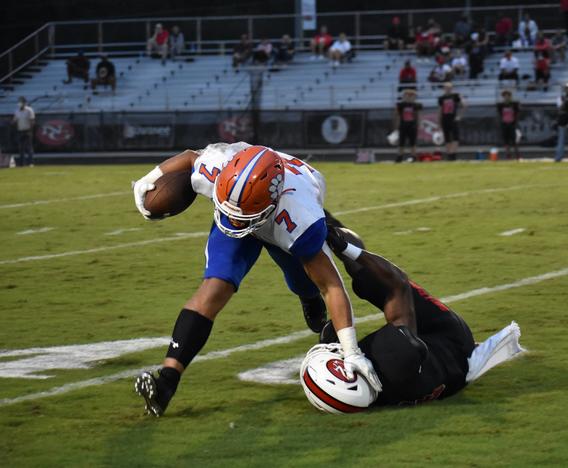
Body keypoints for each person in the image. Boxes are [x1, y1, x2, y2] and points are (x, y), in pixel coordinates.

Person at [132, 143, 382, 416]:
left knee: (308, 283)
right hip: (244, 206)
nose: (234, 223)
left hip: (279, 221)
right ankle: (167, 381)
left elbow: (332, 286)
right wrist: (149, 178)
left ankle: (310, 291)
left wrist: (352, 351)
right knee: (215, 287)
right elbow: (190, 158)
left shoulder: (299, 217)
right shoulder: (217, 165)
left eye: (239, 219)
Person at [312, 223, 524, 408]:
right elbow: (398, 284)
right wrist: (345, 248)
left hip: (447, 372)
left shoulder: (376, 391)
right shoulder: (394, 360)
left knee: (339, 331)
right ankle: (330, 227)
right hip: (450, 339)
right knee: (374, 281)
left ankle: (328, 228)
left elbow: (330, 331)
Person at [437, 83, 463, 161]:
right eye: (446, 87)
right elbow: (439, 111)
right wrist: (438, 122)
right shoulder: (441, 98)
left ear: (452, 88)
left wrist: (459, 116)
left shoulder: (455, 96)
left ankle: (453, 154)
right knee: (447, 138)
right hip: (445, 119)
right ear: (444, 88)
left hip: (453, 119)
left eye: (449, 87)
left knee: (456, 138)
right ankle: (449, 155)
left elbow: (464, 105)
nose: (447, 89)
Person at [395, 89, 422, 162]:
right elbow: (397, 115)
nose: (407, 97)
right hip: (403, 125)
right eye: (405, 95)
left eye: (409, 96)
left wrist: (419, 124)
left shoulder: (416, 105)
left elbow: (418, 115)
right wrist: (397, 126)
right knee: (401, 142)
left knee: (413, 142)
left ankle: (413, 156)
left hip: (412, 125)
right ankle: (399, 157)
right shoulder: (400, 105)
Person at [496, 90, 521, 159]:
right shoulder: (501, 105)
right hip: (504, 124)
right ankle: (508, 155)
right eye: (505, 96)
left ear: (510, 96)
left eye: (508, 96)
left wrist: (514, 122)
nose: (506, 97)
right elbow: (500, 114)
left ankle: (517, 155)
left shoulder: (514, 104)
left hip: (512, 124)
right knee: (506, 141)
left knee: (514, 141)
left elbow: (517, 112)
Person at [11, 97, 35, 167]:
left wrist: (30, 130)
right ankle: (22, 163)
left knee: (29, 148)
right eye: (19, 102)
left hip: (27, 130)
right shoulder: (17, 111)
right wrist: (10, 122)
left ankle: (30, 163)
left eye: (21, 102)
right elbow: (14, 120)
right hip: (20, 131)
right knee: (21, 148)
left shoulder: (29, 110)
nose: (20, 104)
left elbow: (32, 121)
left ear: (24, 103)